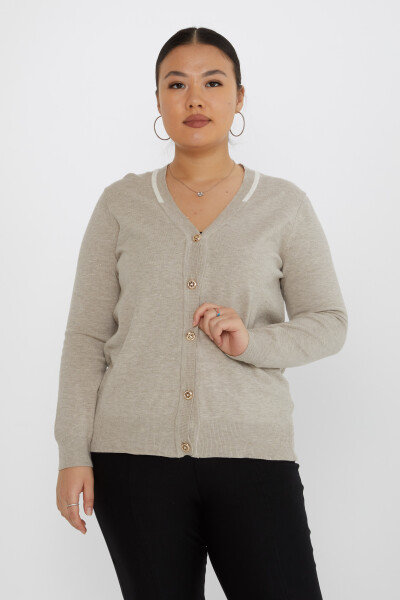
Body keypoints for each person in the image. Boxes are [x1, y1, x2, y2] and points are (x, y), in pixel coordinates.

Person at [54, 26, 348, 600]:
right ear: (158, 100)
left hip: (253, 456)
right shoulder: (120, 204)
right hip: (133, 461)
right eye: (176, 84)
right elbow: (87, 336)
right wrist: (72, 453)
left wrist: (253, 342)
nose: (194, 98)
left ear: (239, 98)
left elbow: (329, 321)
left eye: (213, 83)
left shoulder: (284, 205)